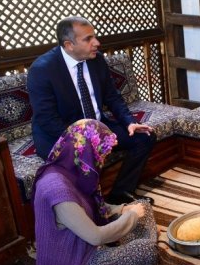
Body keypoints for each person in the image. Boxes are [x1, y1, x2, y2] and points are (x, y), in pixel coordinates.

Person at [27, 16, 156, 204]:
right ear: (69, 45)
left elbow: (112, 97)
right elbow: (47, 119)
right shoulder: (42, 69)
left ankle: (120, 194)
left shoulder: (96, 60)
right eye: (88, 39)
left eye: (94, 36)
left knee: (144, 137)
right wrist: (86, 141)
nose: (96, 43)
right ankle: (93, 208)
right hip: (60, 136)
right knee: (84, 156)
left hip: (97, 128)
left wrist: (130, 122)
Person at [33, 119, 158, 265]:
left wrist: (121, 210)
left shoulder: (72, 170)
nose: (103, 160)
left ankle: (129, 241)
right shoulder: (57, 190)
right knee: (145, 251)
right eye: (101, 154)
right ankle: (138, 244)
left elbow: (92, 206)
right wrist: (130, 216)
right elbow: (95, 236)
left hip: (89, 243)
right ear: (87, 150)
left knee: (143, 205)